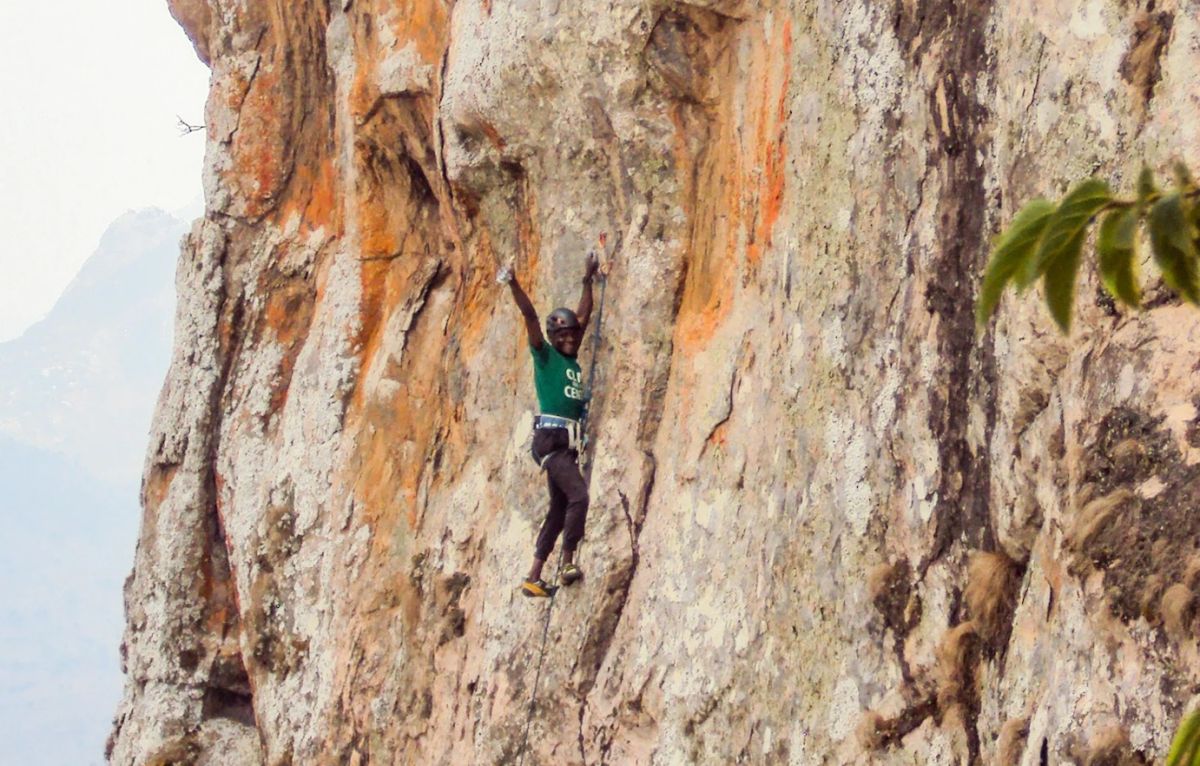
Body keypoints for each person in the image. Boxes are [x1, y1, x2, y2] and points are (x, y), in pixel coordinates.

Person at [497, 252, 600, 598]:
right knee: (579, 496)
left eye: (573, 335)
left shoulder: (570, 359)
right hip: (551, 439)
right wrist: (513, 282)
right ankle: (568, 561)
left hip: (565, 443)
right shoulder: (546, 357)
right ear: (554, 338)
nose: (570, 339)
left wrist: (588, 279)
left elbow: (584, 315)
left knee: (558, 509)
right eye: (563, 335)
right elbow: (529, 316)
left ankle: (534, 576)